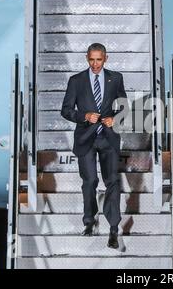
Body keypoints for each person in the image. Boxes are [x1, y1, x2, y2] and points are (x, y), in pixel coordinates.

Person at [61, 43, 127, 249]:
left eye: (99, 59)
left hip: (108, 138)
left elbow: (124, 105)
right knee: (89, 181)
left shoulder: (115, 78)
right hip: (86, 139)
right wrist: (85, 116)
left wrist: (114, 119)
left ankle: (113, 229)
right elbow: (66, 110)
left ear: (105, 58)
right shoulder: (76, 81)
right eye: (92, 59)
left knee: (112, 182)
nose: (96, 64)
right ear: (87, 58)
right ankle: (89, 221)